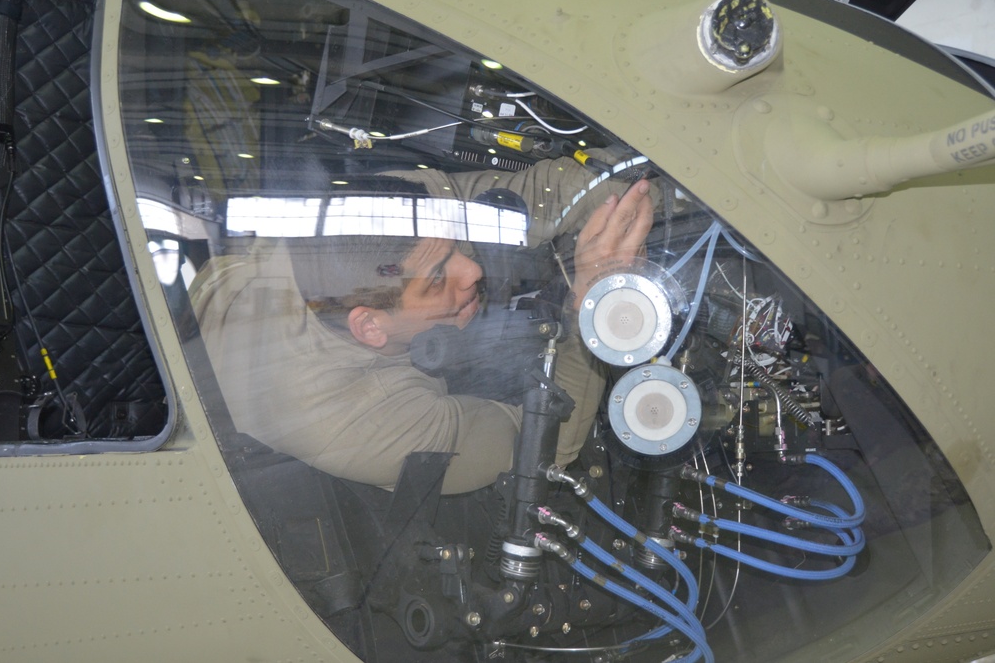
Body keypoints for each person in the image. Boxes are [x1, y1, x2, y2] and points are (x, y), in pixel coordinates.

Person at [191, 166, 654, 494]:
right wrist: (594, 304)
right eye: (438, 279)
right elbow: (544, 447)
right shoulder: (359, 425)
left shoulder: (377, 211)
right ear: (370, 327)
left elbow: (538, 192)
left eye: (456, 246)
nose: (472, 270)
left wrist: (632, 202)